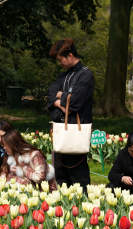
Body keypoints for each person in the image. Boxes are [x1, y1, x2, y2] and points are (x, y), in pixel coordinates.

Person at [47, 39, 95, 187]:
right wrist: (60, 101)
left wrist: (62, 96)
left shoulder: (86, 75)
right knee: (60, 176)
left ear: (70, 55)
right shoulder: (63, 76)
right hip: (60, 132)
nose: (59, 63)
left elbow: (74, 104)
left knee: (78, 178)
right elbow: (50, 94)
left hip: (75, 133)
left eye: (60, 59)